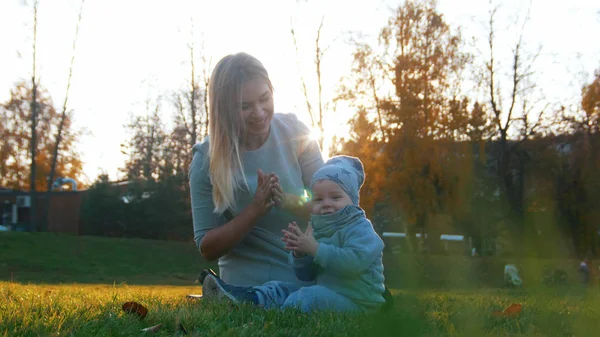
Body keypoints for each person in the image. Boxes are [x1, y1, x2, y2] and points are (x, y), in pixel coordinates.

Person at [189, 52, 324, 287]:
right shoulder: (205, 160)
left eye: (264, 99)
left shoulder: (296, 133)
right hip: (250, 280)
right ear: (224, 109)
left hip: (306, 267)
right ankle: (234, 296)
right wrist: (254, 211)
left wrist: (289, 201)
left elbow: (332, 207)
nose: (260, 113)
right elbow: (207, 247)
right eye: (245, 106)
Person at [201, 156, 387, 313]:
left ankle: (279, 313)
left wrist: (314, 248)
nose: (326, 203)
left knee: (309, 297)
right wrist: (300, 254)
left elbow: (353, 264)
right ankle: (244, 299)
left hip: (358, 302)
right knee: (282, 287)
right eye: (318, 199)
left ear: (353, 200)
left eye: (335, 197)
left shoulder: (361, 228)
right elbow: (306, 276)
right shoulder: (318, 227)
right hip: (327, 292)